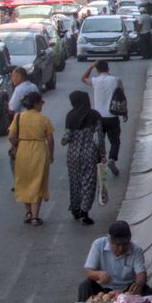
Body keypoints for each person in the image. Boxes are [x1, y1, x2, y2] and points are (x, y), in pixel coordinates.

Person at [9, 90, 54, 226]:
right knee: (38, 182)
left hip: (22, 151)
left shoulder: (18, 117)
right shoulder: (44, 119)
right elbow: (50, 140)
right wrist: (51, 155)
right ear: (36, 104)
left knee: (24, 182)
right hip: (39, 151)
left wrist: (17, 144)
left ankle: (28, 212)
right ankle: (35, 216)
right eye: (41, 103)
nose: (42, 105)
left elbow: (11, 136)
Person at [60, 91, 105, 226]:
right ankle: (85, 212)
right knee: (88, 182)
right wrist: (102, 154)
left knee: (75, 183)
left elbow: (67, 137)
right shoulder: (94, 115)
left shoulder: (70, 116)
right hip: (89, 154)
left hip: (73, 156)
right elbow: (99, 137)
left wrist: (63, 141)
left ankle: (75, 209)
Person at [77, 220, 151, 302]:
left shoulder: (137, 250)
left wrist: (139, 284)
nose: (121, 249)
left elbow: (141, 273)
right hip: (102, 288)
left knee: (145, 289)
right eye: (117, 245)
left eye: (125, 244)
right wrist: (98, 274)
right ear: (109, 239)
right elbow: (88, 271)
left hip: (126, 289)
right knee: (85, 285)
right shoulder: (98, 244)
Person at [82, 60, 126, 170]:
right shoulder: (116, 80)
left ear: (97, 70)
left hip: (98, 118)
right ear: (108, 68)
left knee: (99, 141)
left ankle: (100, 160)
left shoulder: (95, 81)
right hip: (112, 116)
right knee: (115, 141)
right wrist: (125, 112)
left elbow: (83, 78)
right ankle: (112, 159)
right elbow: (122, 96)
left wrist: (91, 66)